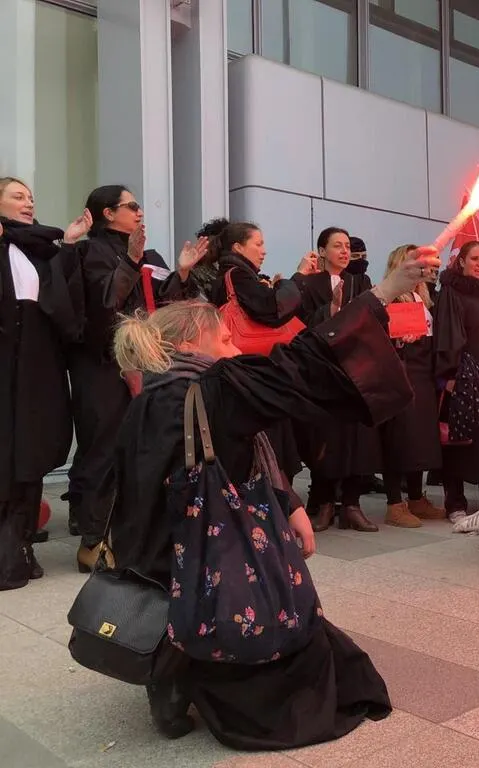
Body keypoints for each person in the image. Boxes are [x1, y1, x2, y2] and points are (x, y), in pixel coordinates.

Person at [105, 245, 440, 747]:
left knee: (185, 600)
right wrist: (386, 292)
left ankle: (170, 677)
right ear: (191, 343)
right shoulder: (217, 389)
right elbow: (302, 364)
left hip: (156, 552)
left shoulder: (151, 395)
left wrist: (289, 504)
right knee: (268, 625)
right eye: (225, 338)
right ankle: (208, 682)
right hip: (217, 555)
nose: (235, 346)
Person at [66, 184, 202, 572]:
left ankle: (125, 531)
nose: (140, 211)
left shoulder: (149, 255)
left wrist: (183, 272)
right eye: (132, 205)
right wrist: (130, 260)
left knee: (141, 446)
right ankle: (92, 541)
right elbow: (105, 305)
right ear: (108, 213)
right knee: (103, 449)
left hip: (145, 362)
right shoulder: (89, 251)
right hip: (102, 365)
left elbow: (164, 305)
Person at [0, 178, 88, 589]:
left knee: (31, 454)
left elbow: (63, 307)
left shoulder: (43, 250)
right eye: (18, 196)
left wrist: (68, 246)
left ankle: (20, 548)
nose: (28, 202)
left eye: (31, 197)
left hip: (37, 369)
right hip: (6, 369)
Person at [292, 227, 379, 531]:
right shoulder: (310, 283)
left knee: (358, 436)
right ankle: (325, 502)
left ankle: (352, 504)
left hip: (355, 369)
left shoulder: (360, 281)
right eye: (337, 246)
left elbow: (372, 319)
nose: (344, 251)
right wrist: (331, 310)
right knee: (325, 438)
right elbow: (300, 324)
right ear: (322, 250)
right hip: (323, 370)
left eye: (347, 246)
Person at [376, 245, 445, 526]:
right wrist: (399, 340)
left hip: (422, 372)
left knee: (419, 439)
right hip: (401, 372)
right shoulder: (390, 297)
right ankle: (395, 503)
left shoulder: (423, 297)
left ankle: (416, 497)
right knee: (398, 438)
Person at [434, 241, 479, 519]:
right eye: (474, 258)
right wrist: (449, 375)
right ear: (461, 261)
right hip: (463, 377)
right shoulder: (451, 292)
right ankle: (455, 502)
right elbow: (448, 335)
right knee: (458, 442)